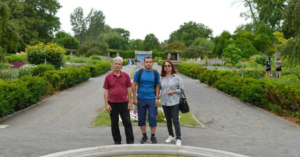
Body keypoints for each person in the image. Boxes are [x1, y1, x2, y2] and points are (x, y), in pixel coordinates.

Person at [103, 56, 134, 144]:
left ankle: (130, 141)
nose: (117, 65)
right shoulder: (108, 77)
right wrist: (106, 104)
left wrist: (129, 102)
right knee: (114, 123)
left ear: (121, 66)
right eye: (116, 64)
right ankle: (117, 141)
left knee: (127, 122)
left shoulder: (126, 76)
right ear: (113, 65)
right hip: (112, 103)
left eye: (119, 64)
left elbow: (129, 89)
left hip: (124, 103)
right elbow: (106, 91)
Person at [132, 56, 160, 144]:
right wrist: (134, 97)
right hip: (141, 98)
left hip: (151, 98)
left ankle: (153, 136)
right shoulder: (139, 72)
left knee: (152, 117)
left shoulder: (155, 73)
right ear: (143, 63)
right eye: (147, 62)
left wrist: (157, 98)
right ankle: (144, 136)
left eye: (150, 62)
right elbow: (133, 85)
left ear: (153, 63)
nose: (148, 63)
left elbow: (157, 86)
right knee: (141, 118)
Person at [160, 61, 184, 146]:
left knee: (175, 120)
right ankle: (171, 135)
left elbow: (182, 90)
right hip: (165, 102)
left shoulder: (177, 78)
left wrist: (174, 91)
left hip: (174, 102)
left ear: (171, 67)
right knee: (168, 120)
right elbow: (158, 88)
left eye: (168, 65)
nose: (167, 67)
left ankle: (178, 138)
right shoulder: (161, 78)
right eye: (165, 66)